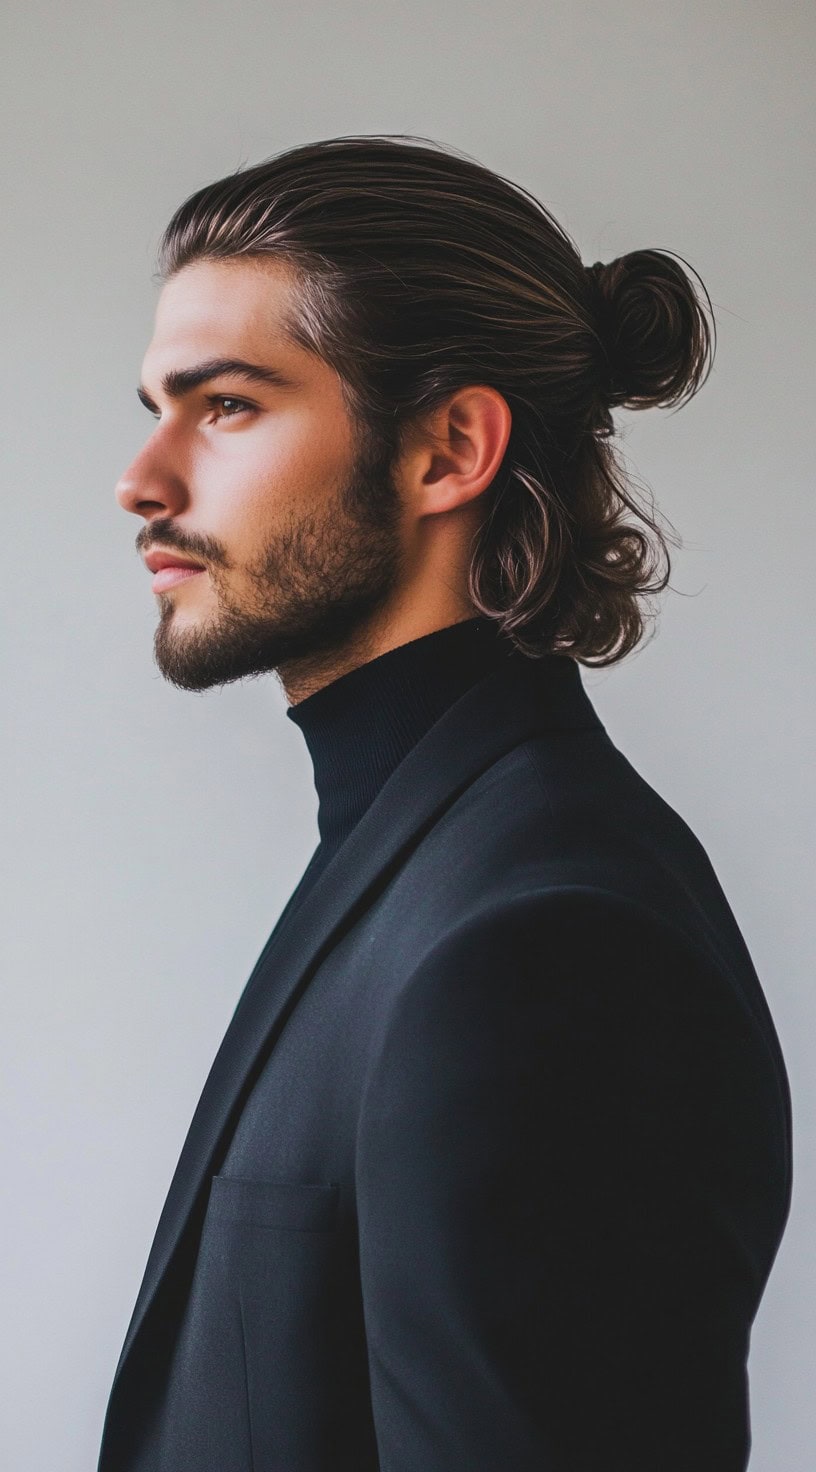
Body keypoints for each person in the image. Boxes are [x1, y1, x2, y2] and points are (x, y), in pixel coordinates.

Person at [98, 134, 792, 1472]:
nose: (146, 480)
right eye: (156, 408)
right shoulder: (425, 858)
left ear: (446, 451)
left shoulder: (544, 942)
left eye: (227, 405)